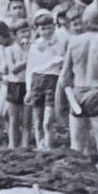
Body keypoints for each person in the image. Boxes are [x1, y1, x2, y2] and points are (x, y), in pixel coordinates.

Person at [55, 6, 98, 181]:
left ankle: (78, 187)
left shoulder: (74, 42)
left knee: (77, 146)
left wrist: (66, 101)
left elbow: (63, 77)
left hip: (77, 93)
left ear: (85, 22)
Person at [25, 9, 65, 150]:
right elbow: (30, 68)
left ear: (54, 27)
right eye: (43, 29)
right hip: (37, 82)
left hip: (53, 81)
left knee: (48, 121)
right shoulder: (35, 45)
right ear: (38, 29)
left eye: (49, 28)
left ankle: (48, 148)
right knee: (38, 119)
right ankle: (39, 147)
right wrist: (29, 90)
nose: (46, 32)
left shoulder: (60, 42)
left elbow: (62, 61)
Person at [0, 20, 28, 150]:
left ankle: (20, 142)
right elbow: (6, 64)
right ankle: (13, 140)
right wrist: (0, 70)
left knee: (18, 115)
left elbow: (14, 66)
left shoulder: (17, 45)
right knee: (5, 114)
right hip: (8, 82)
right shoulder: (4, 47)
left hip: (19, 81)